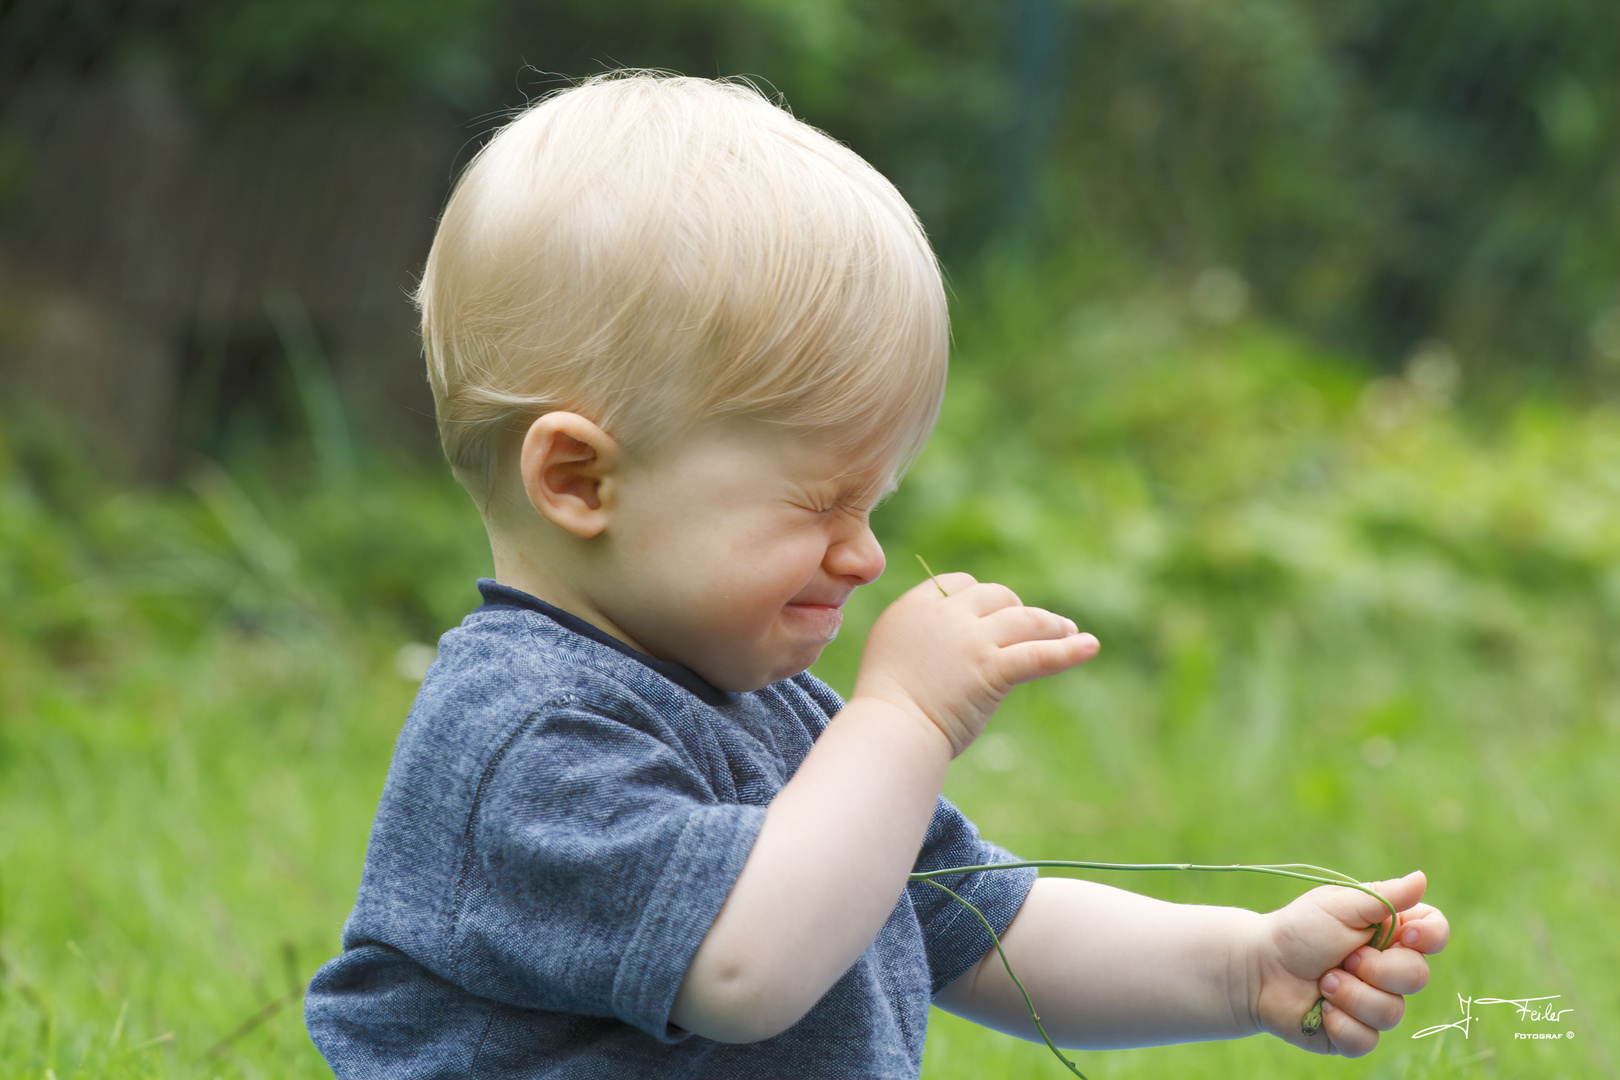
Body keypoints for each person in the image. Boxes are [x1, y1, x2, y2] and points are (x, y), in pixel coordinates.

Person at [304, 72, 1448, 1079]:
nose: (863, 553)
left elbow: (988, 927)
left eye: (876, 504)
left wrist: (1238, 968)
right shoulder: (525, 738)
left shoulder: (778, 711)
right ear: (580, 480)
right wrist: (903, 717)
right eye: (819, 501)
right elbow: (748, 969)